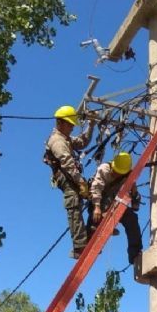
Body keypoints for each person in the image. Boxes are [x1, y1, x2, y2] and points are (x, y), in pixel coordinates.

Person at [44, 105, 94, 259]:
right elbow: (67, 163)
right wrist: (80, 182)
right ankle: (79, 247)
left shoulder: (66, 139)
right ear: (60, 123)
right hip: (66, 177)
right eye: (70, 124)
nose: (72, 127)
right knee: (74, 206)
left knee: (95, 192)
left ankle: (93, 228)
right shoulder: (57, 141)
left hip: (72, 176)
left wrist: (91, 124)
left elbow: (82, 142)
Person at [88, 152, 143, 264]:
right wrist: (97, 207)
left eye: (119, 173)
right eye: (115, 172)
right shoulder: (104, 169)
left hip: (115, 202)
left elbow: (135, 203)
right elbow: (96, 189)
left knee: (132, 219)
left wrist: (134, 193)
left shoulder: (129, 175)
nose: (116, 175)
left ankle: (135, 254)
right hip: (98, 200)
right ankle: (93, 235)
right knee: (96, 217)